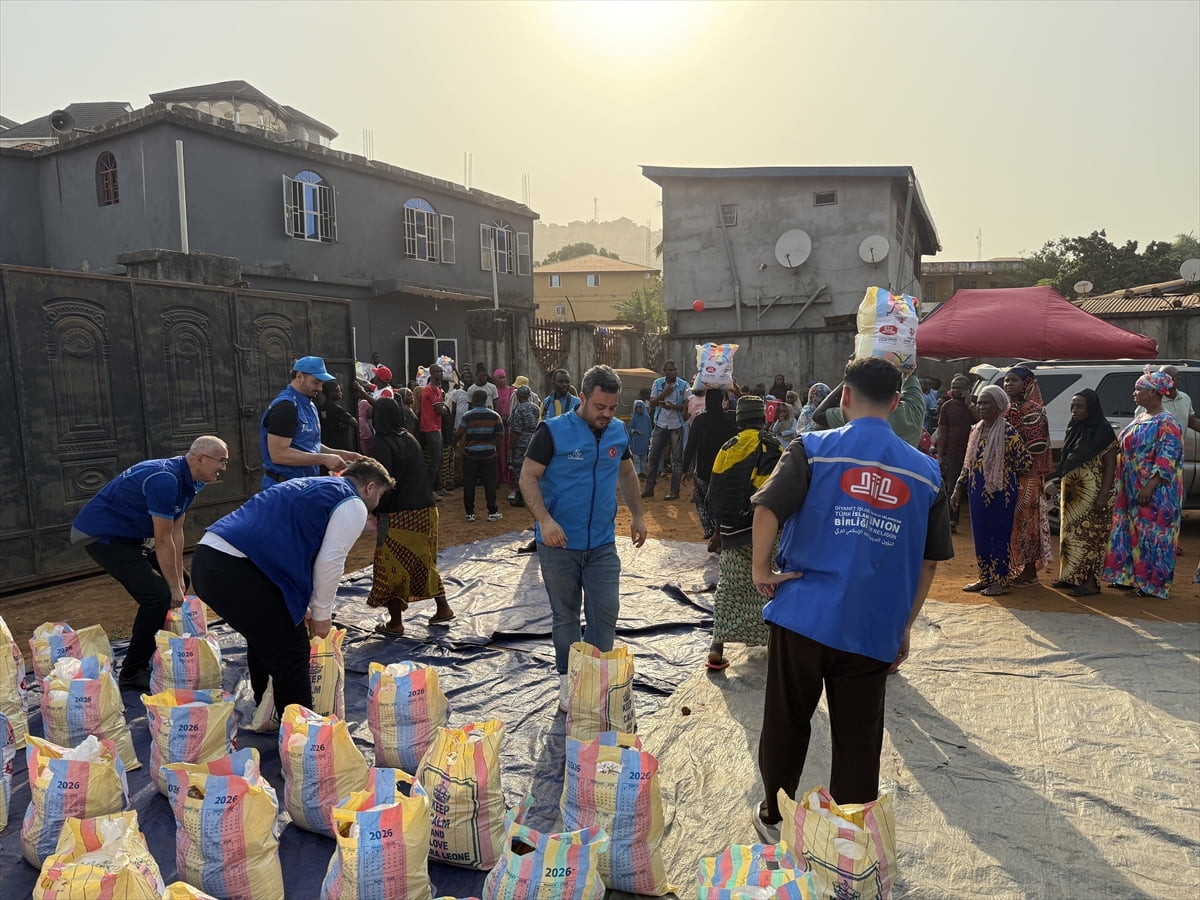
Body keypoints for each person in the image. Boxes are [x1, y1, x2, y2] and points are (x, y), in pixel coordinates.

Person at [749, 357, 952, 838]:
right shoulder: (927, 473)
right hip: (873, 626)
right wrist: (904, 624)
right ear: (897, 403)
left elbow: (767, 510)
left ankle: (775, 812)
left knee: (787, 719)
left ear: (843, 396)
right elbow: (929, 561)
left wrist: (763, 570)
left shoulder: (813, 448)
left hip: (803, 614)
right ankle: (849, 831)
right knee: (860, 734)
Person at [192, 459, 393, 718]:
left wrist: (303, 605)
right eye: (381, 495)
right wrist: (322, 615)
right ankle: (300, 738)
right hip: (238, 568)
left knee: (266, 634)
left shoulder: (315, 486)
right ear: (370, 487)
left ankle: (268, 711)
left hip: (209, 560)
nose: (378, 502)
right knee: (293, 651)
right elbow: (331, 561)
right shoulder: (352, 503)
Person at [519, 365, 647, 710]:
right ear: (583, 397)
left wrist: (637, 515)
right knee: (566, 616)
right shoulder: (552, 432)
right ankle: (568, 680)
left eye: (611, 408)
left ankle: (595, 680)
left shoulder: (618, 432)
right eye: (599, 407)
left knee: (605, 612)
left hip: (603, 544)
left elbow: (627, 471)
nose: (606, 414)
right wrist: (545, 521)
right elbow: (528, 476)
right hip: (559, 544)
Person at [70, 436, 229, 691]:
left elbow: (176, 532)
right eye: (221, 461)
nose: (223, 468)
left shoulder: (192, 479)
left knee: (180, 582)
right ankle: (132, 672)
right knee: (157, 596)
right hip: (104, 537)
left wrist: (178, 583)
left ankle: (161, 649)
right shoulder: (165, 480)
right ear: (200, 458)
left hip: (133, 534)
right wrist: (173, 590)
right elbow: (163, 539)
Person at [704, 396, 783, 670]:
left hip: (730, 531)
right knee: (769, 584)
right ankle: (773, 644)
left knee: (730, 586)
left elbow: (715, 492)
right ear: (763, 418)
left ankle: (717, 646)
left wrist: (718, 533)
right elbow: (774, 491)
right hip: (763, 530)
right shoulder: (770, 445)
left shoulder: (728, 447)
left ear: (738, 420)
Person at [368, 399, 453, 635]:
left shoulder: (382, 443)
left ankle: (395, 623)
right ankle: (443, 607)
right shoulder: (410, 438)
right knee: (424, 560)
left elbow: (383, 483)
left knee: (389, 564)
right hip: (426, 510)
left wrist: (373, 510)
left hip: (398, 515)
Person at [1102, 369, 1184, 599]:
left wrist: (1150, 486)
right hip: (1131, 488)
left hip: (1156, 492)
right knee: (1131, 533)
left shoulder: (1167, 422)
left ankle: (1153, 585)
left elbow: (1166, 458)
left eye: (1140, 389)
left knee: (1154, 537)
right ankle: (1128, 578)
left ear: (1154, 393)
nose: (1134, 393)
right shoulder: (1140, 418)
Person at [954, 386, 1032, 597]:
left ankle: (1001, 580)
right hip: (976, 489)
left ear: (998, 406)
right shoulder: (976, 430)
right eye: (979, 402)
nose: (981, 406)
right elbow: (968, 463)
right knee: (980, 534)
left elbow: (1025, 463)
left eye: (986, 403)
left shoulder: (1009, 433)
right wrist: (957, 487)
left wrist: (1000, 469)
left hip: (1001, 493)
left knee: (998, 535)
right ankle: (985, 577)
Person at [1043, 390, 1117, 597]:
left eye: (1079, 406)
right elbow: (1068, 459)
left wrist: (1103, 495)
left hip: (1094, 494)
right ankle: (1070, 577)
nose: (1074, 411)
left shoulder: (1104, 431)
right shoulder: (1074, 427)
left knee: (1091, 537)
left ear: (1091, 407)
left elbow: (1111, 465)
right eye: (1072, 406)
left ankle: (1090, 583)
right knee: (1070, 537)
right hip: (1072, 494)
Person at [261, 356, 361, 490]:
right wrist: (324, 459)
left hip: (304, 484)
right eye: (316, 382)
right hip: (284, 487)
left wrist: (341, 453)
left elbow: (308, 444)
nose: (320, 388)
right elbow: (278, 454)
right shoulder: (286, 407)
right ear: (299, 376)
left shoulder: (310, 405)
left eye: (322, 383)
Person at [1002, 366, 1054, 586]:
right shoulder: (1005, 408)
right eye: (1005, 381)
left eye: (1013, 380)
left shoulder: (1034, 410)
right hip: (1006, 474)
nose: (1007, 384)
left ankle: (1030, 571)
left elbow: (1037, 446)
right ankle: (1011, 567)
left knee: (1027, 523)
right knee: (1009, 523)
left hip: (1026, 476)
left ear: (1027, 383)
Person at [682, 389, 738, 551]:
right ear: (722, 401)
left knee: (703, 501)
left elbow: (690, 445)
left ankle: (713, 531)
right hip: (726, 470)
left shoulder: (700, 420)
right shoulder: (730, 418)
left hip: (704, 471)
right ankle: (720, 533)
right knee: (722, 503)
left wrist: (685, 469)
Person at [816, 369, 926, 447]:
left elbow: (818, 415)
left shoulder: (859, 415)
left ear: (846, 395)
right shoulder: (914, 409)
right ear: (895, 399)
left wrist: (850, 376)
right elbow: (912, 369)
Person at [642, 359, 691, 501]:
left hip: (677, 425)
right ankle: (649, 488)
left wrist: (672, 407)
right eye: (670, 370)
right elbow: (652, 403)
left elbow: (686, 407)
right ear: (664, 370)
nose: (673, 372)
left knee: (676, 460)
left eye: (675, 370)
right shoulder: (657, 384)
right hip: (661, 424)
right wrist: (665, 393)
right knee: (653, 457)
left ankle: (674, 491)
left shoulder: (684, 385)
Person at [936, 374, 979, 533]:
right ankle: (952, 520)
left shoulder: (977, 403)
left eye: (959, 388)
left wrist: (970, 405)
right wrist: (941, 456)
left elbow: (983, 422)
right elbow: (943, 433)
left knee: (976, 488)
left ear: (967, 389)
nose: (955, 390)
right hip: (953, 453)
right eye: (953, 387)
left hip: (975, 454)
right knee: (953, 487)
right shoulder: (947, 407)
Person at [455, 389, 505, 522]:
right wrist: (497, 451)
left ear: (474, 400)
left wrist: (454, 443)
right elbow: (500, 436)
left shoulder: (467, 416)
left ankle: (470, 513)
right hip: (488, 454)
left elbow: (460, 433)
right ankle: (492, 511)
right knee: (490, 483)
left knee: (469, 484)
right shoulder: (495, 416)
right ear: (485, 400)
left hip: (470, 454)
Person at [1136, 365, 1199, 433]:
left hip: (1177, 443)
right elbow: (1138, 428)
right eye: (1163, 378)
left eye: (1170, 379)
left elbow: (1192, 422)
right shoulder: (1151, 401)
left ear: (1178, 379)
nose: (1166, 382)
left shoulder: (1185, 398)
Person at [418, 362, 448, 494]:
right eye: (438, 372)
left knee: (439, 458)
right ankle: (430, 491)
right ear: (431, 373)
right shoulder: (431, 389)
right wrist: (446, 408)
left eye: (441, 372)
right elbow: (440, 410)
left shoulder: (437, 389)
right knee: (435, 460)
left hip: (436, 427)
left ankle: (438, 487)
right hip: (430, 427)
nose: (441, 374)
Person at [507, 385, 539, 506]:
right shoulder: (536, 408)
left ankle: (520, 497)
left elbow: (516, 431)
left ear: (519, 396)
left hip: (521, 444)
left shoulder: (518, 409)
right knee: (532, 470)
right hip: (534, 442)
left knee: (519, 470)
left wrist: (510, 446)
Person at [318, 380, 358, 453]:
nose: (340, 393)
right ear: (330, 393)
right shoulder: (335, 408)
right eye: (338, 391)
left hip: (328, 443)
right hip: (340, 444)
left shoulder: (322, 407)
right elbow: (354, 422)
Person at [494, 369, 515, 488]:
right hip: (499, 425)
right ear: (495, 379)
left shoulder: (511, 390)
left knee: (509, 449)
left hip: (510, 425)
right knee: (500, 450)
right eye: (499, 378)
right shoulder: (494, 391)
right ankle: (500, 475)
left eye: (503, 377)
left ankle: (509, 476)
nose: (502, 380)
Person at [628, 399, 652, 480]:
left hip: (644, 440)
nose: (638, 409)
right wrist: (635, 431)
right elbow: (630, 428)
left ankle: (642, 472)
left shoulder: (647, 417)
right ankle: (637, 473)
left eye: (640, 407)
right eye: (637, 407)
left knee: (644, 458)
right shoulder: (634, 417)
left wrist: (649, 438)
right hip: (636, 440)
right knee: (636, 458)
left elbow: (649, 429)